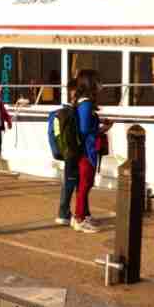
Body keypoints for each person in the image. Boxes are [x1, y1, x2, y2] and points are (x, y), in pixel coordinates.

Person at [71, 69, 104, 233]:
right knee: (85, 184)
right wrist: (100, 130)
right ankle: (79, 218)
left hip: (86, 150)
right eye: (97, 81)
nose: (100, 85)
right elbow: (84, 130)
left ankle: (83, 214)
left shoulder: (83, 102)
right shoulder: (86, 104)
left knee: (86, 184)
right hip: (86, 151)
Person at [55, 78, 81, 226]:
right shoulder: (71, 112)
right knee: (70, 182)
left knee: (70, 181)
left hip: (67, 151)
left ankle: (65, 212)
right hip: (72, 152)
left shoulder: (65, 111)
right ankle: (63, 213)